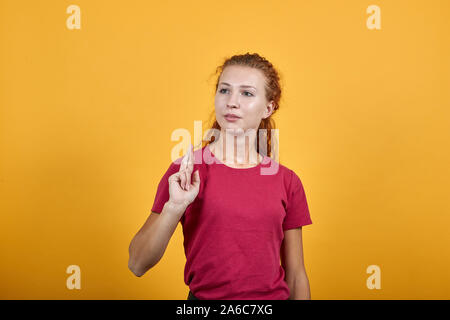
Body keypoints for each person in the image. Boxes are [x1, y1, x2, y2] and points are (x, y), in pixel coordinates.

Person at [128, 53, 313, 300]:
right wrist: (174, 207)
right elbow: (137, 263)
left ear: (268, 108)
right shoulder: (186, 170)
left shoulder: (287, 181)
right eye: (224, 90)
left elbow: (296, 275)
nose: (231, 102)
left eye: (246, 93)